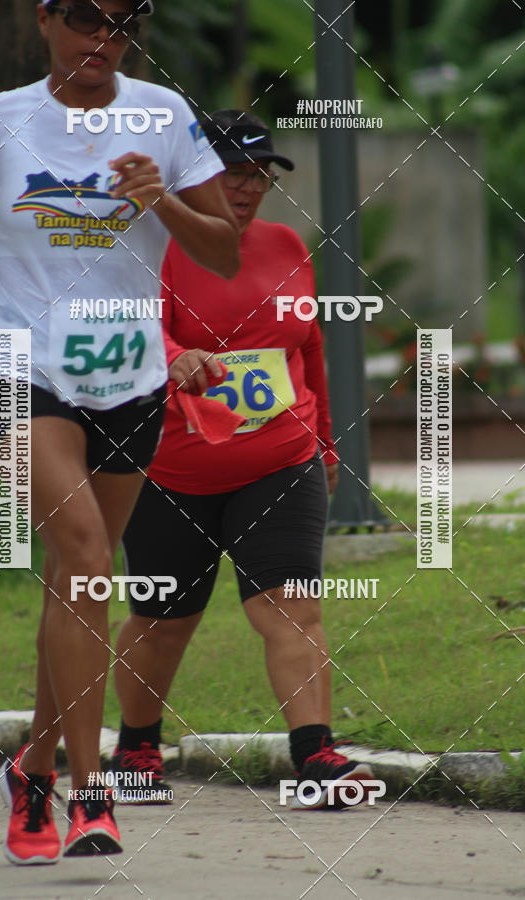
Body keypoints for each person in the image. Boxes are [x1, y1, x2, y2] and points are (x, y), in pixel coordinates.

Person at [0, 0, 239, 864]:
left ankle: (32, 764)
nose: (105, 38)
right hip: (21, 367)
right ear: (44, 19)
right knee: (87, 554)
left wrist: (162, 203)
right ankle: (89, 789)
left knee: (77, 580)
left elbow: (223, 250)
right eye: (86, 18)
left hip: (131, 381)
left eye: (124, 21)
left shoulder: (165, 116)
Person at [110, 109, 374, 810]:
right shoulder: (149, 248)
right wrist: (176, 357)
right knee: (164, 621)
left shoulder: (287, 245)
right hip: (171, 470)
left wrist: (323, 440)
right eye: (233, 173)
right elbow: (127, 329)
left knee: (292, 608)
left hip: (279, 461)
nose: (249, 187)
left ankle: (315, 756)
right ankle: (136, 748)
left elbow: (307, 347)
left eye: (260, 175)